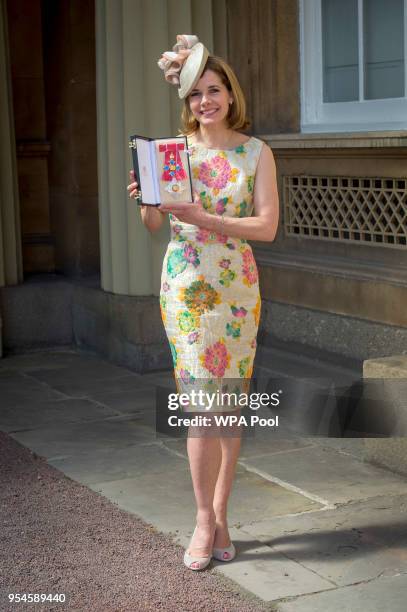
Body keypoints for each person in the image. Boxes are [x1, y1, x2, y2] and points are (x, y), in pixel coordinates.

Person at [128, 35, 279, 571]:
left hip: (237, 289)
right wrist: (147, 199)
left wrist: (205, 218)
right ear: (185, 101)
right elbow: (155, 225)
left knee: (229, 404)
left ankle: (219, 514)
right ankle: (200, 518)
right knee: (199, 408)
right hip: (186, 288)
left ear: (229, 95)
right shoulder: (174, 153)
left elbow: (266, 227)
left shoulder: (257, 152)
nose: (204, 102)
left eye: (213, 90)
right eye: (195, 93)